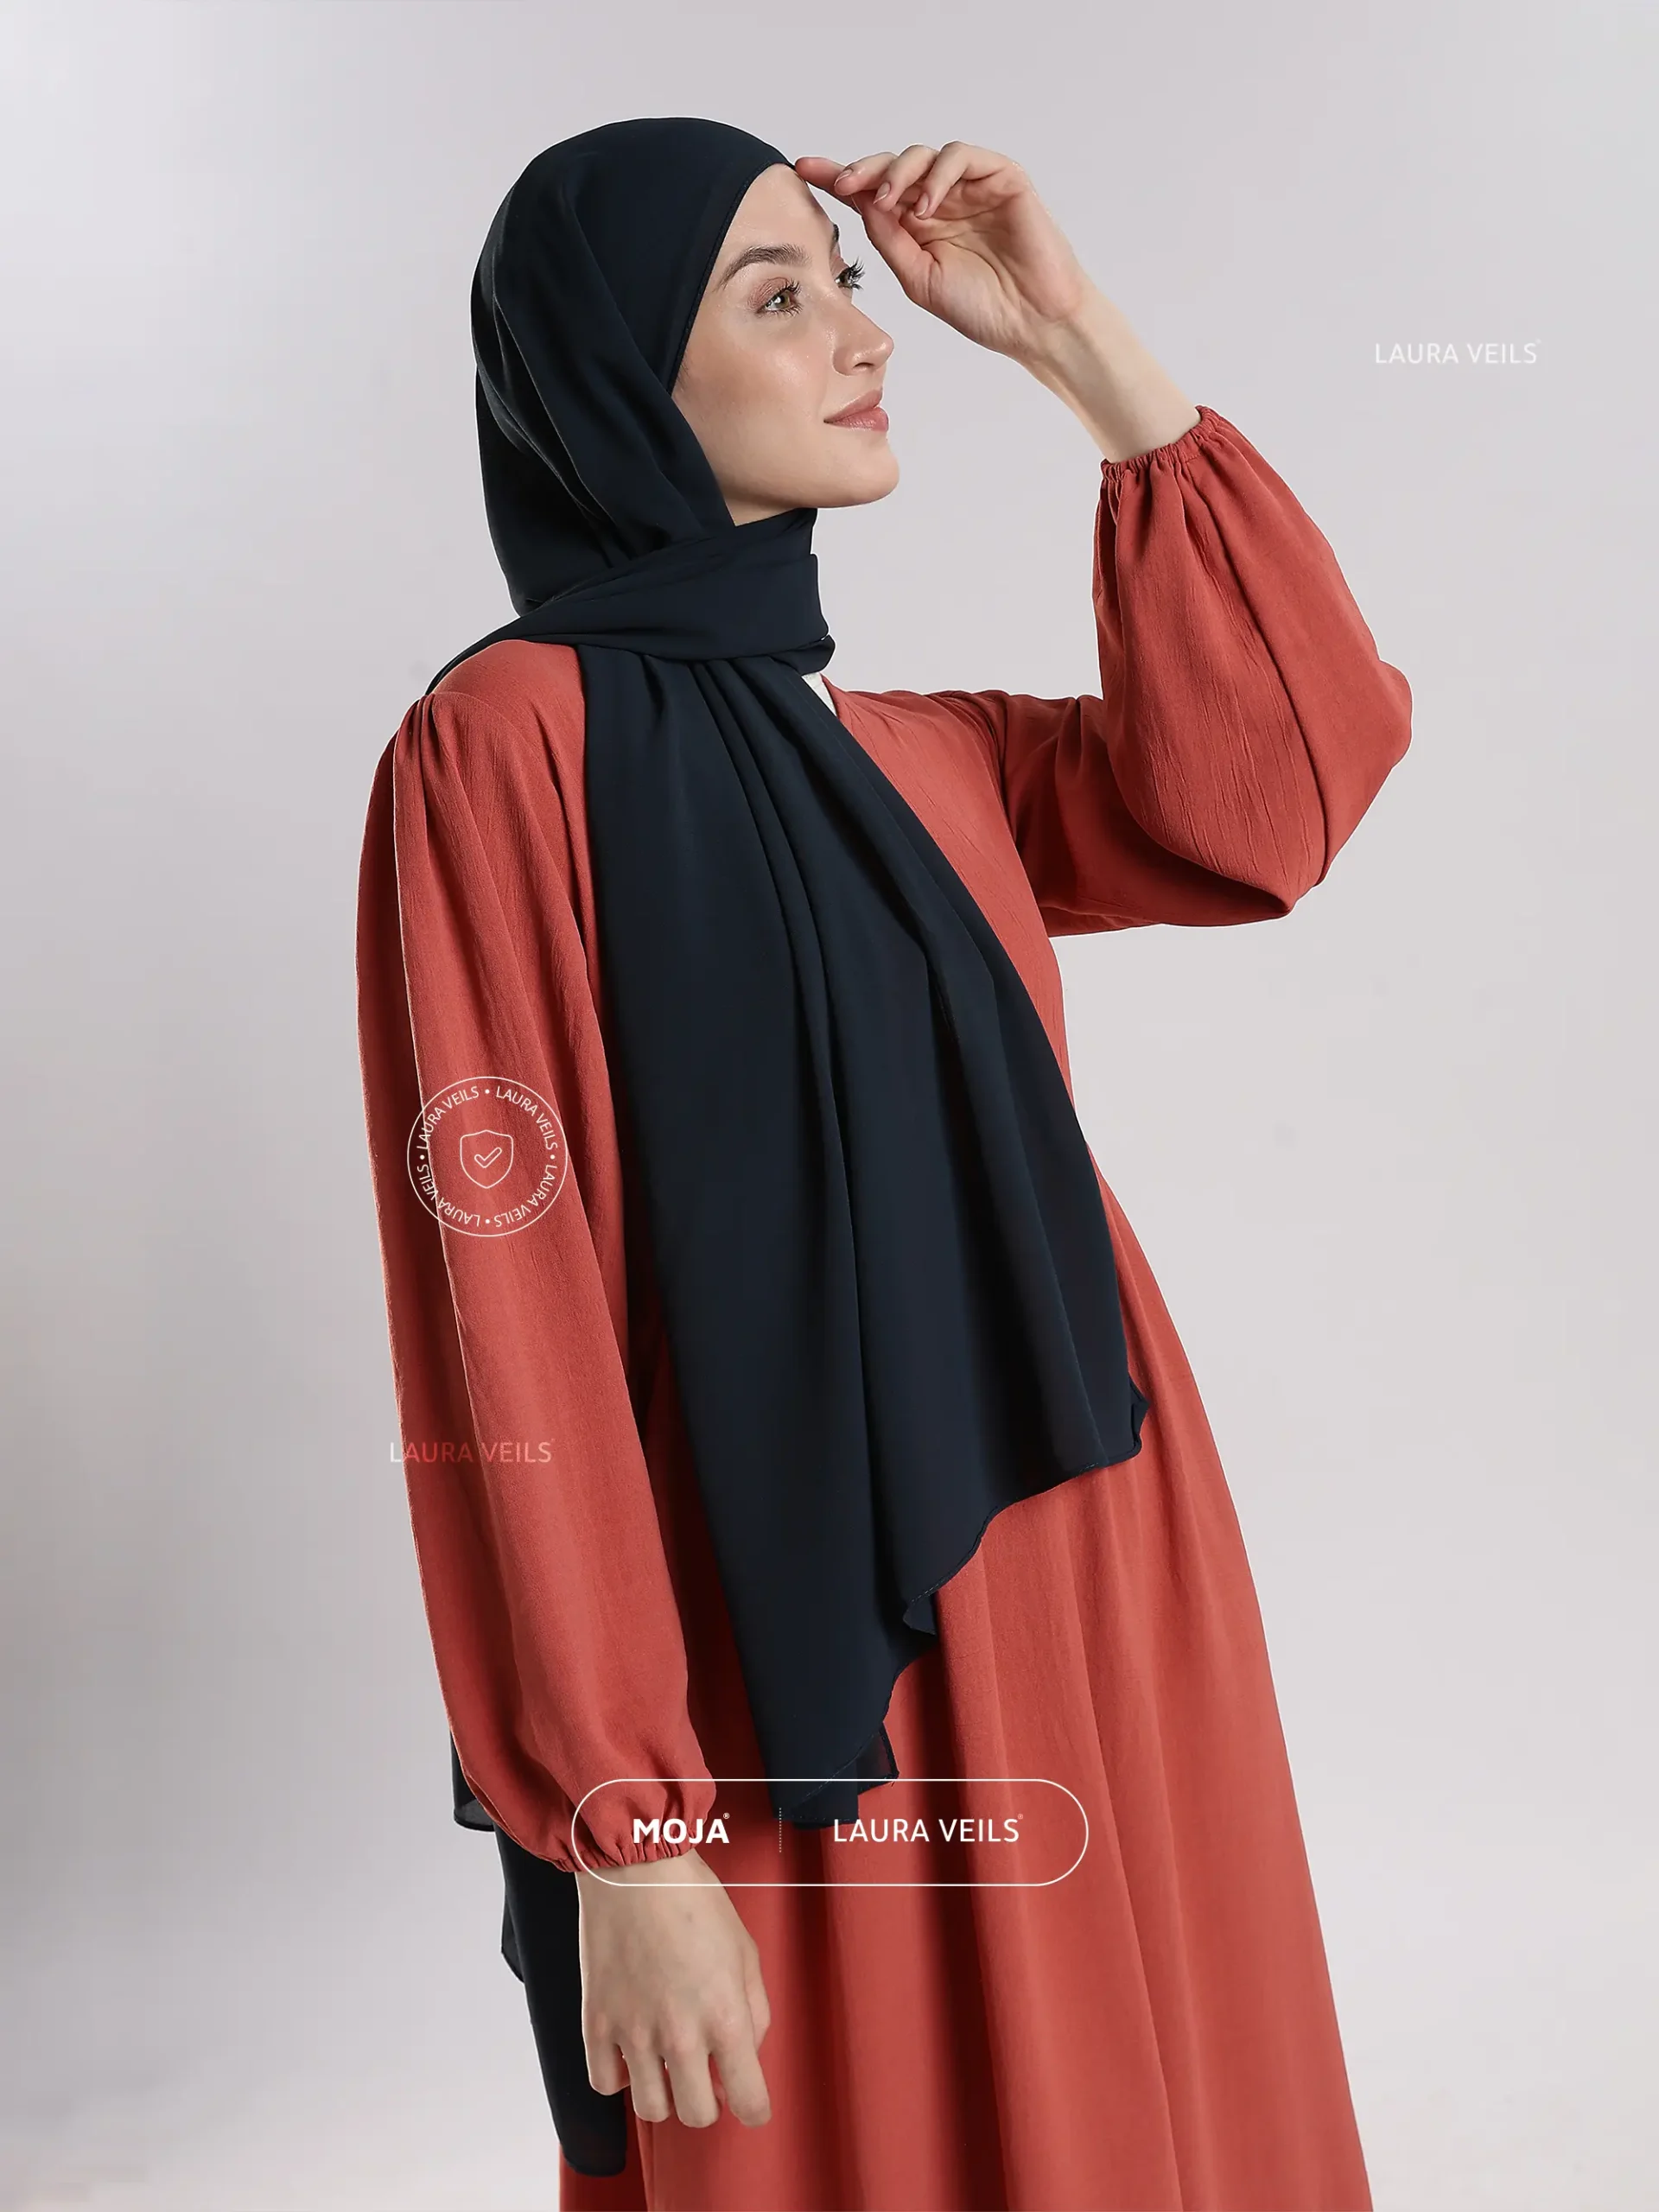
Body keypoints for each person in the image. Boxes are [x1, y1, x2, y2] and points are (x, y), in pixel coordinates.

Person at [356, 117, 1410, 2212]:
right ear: (615, 380)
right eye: (779, 296)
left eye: (842, 280)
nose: (864, 335)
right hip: (796, 1646)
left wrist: (1084, 348)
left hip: (1099, 1554)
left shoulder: (928, 758)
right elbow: (510, 1319)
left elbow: (1276, 792)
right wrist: (625, 1825)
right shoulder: (506, 747)